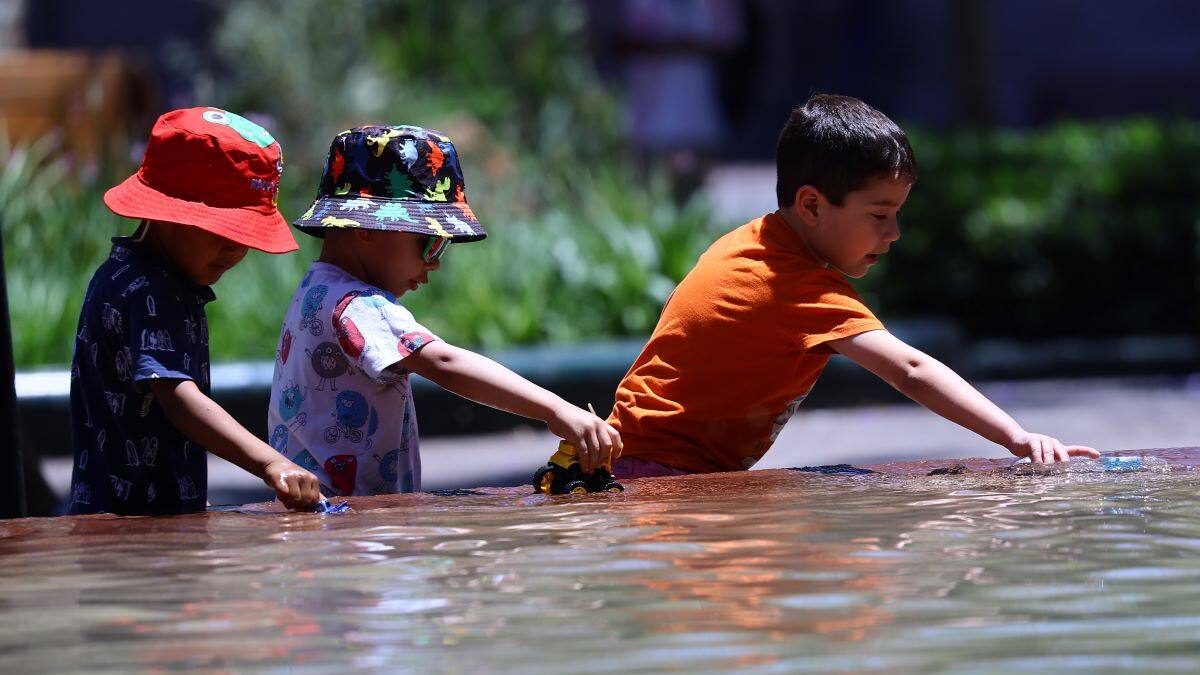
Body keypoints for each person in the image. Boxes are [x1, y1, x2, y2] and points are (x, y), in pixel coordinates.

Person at [607, 94, 1099, 478]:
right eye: (880, 215)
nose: (895, 233)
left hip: (626, 462)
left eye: (898, 214)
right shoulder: (793, 284)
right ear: (813, 206)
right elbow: (909, 368)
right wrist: (1015, 437)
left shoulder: (752, 243)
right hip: (658, 477)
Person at [269, 125, 620, 496]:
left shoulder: (314, 289)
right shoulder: (359, 305)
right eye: (429, 243)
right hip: (353, 529)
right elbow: (445, 364)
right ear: (366, 227)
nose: (434, 263)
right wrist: (556, 409)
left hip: (321, 522)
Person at [68, 107, 322, 515]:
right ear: (166, 210)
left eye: (245, 236)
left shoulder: (130, 273)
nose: (236, 250)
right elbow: (178, 398)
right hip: (132, 526)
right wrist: (271, 462)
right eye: (223, 232)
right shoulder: (151, 289)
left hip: (126, 511)